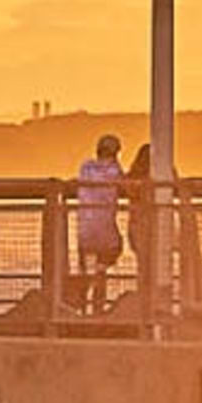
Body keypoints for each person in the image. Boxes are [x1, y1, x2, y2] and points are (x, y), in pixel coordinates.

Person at [73, 134, 128, 313]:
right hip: (105, 231)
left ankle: (81, 307)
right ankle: (98, 306)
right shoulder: (114, 170)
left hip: (84, 228)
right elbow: (124, 185)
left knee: (85, 271)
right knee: (112, 253)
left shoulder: (85, 167)